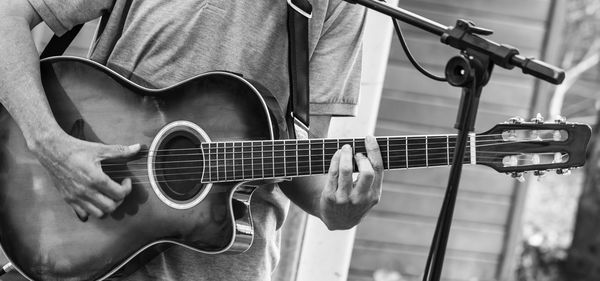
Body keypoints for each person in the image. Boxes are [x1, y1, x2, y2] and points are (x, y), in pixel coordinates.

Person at [0, 0, 383, 280]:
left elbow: (299, 152)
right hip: (89, 240)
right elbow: (7, 18)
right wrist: (51, 146)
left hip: (225, 264)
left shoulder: (345, 3)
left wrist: (332, 208)